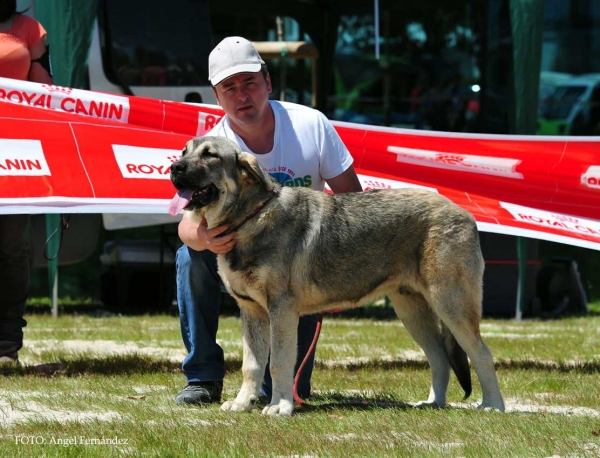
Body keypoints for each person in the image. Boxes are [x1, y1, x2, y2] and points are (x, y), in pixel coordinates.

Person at [174, 36, 362, 405]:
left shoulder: (312, 125)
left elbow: (352, 203)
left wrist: (346, 269)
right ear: (217, 96)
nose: (242, 95)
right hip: (241, 263)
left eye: (249, 83)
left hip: (301, 270)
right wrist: (205, 239)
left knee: (289, 392)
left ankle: (273, 383)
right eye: (230, 87)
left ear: (268, 83)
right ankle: (202, 377)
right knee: (189, 255)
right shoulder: (211, 147)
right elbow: (183, 222)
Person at [0, 0, 53, 364]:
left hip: (17, 153)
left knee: (11, 247)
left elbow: (48, 94)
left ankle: (5, 344)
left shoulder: (32, 30)